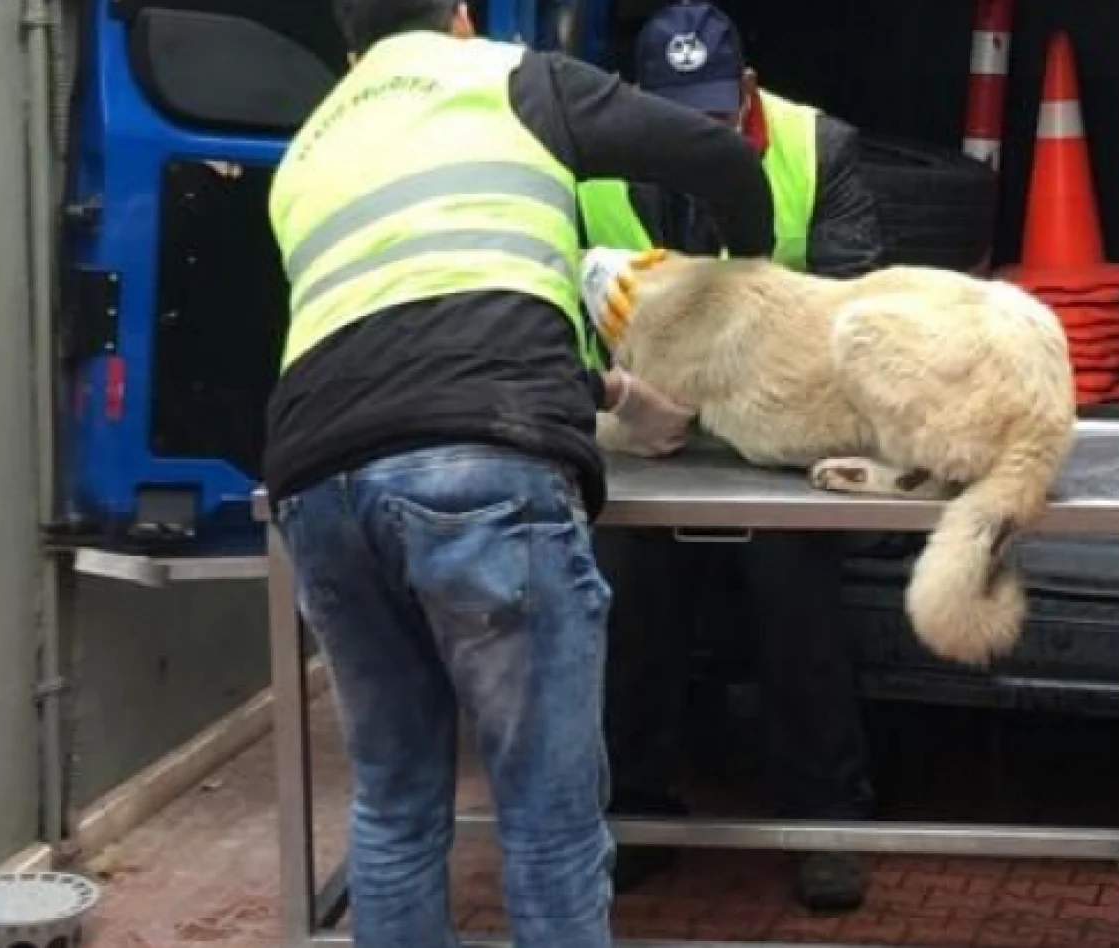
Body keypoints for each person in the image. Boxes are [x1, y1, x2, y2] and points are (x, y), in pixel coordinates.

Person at [263, 1, 775, 945]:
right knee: (548, 823)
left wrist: (615, 392)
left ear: (352, 47)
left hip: (316, 486)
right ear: (460, 16)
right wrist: (752, 275)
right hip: (484, 477)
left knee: (393, 805)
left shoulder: (310, 145)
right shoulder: (511, 77)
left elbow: (406, 332)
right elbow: (724, 162)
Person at [579, 0, 886, 913]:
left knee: (796, 593)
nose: (695, 137)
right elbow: (557, 305)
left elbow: (851, 310)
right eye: (674, 119)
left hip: (779, 438)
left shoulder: (817, 147)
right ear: (638, 102)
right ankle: (633, 815)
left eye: (713, 119)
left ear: (746, 92)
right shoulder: (591, 165)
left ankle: (828, 824)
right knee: (622, 588)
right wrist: (621, 401)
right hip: (641, 435)